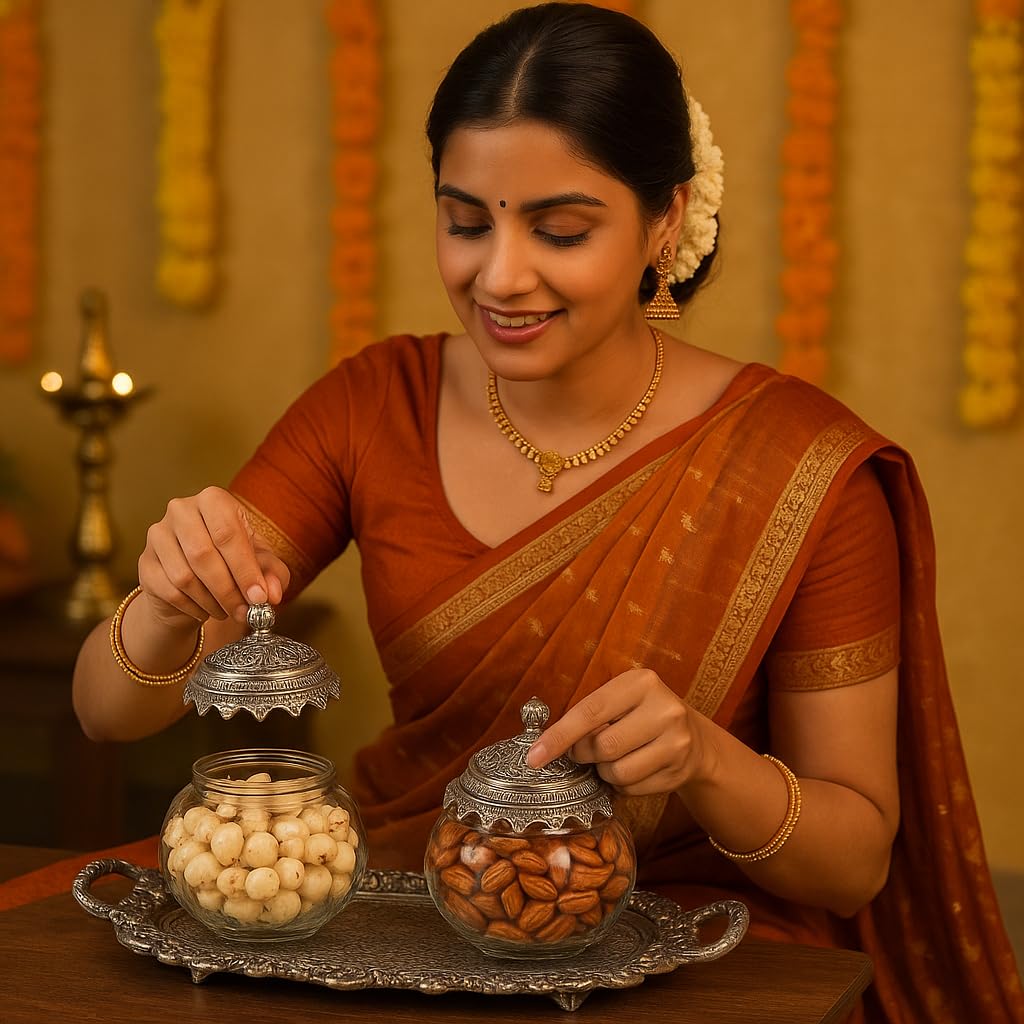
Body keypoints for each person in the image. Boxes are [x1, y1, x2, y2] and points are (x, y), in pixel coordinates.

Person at [72, 4, 1021, 1021]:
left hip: (691, 946)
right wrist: (167, 602)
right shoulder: (370, 405)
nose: (501, 276)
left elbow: (852, 864)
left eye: (560, 230)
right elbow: (108, 710)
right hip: (405, 915)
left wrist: (704, 760)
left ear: (666, 219)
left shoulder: (799, 466)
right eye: (466, 221)